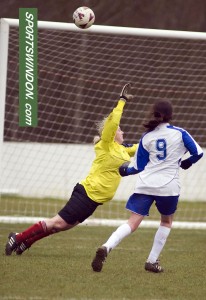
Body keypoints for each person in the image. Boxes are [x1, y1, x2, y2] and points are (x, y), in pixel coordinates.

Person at [5, 83, 138, 256]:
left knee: (62, 227)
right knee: (57, 223)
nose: (122, 131)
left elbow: (141, 146)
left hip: (94, 201)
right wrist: (121, 102)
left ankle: (26, 241)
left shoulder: (123, 150)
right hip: (86, 194)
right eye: (119, 129)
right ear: (111, 132)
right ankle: (17, 237)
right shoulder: (106, 144)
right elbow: (113, 123)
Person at [91, 99, 203, 273]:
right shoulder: (180, 133)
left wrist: (124, 171)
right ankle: (151, 261)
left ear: (154, 114)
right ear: (171, 115)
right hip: (168, 187)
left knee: (132, 222)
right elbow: (198, 153)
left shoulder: (147, 137)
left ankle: (107, 246)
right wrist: (187, 163)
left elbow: (137, 167)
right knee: (166, 221)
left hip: (145, 184)